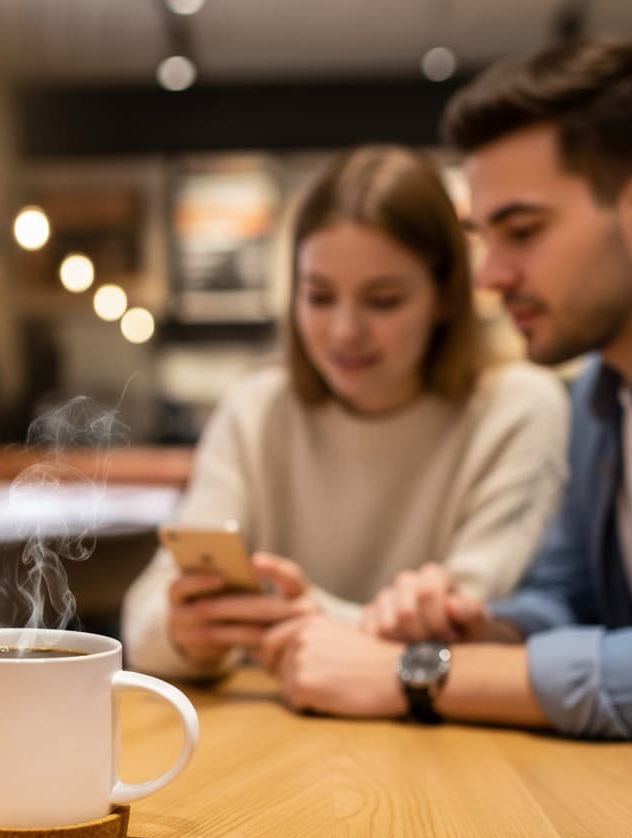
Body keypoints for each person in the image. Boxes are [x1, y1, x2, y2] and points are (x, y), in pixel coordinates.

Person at [259, 38, 632, 741]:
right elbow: (568, 597)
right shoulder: (599, 396)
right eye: (484, 238)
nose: (490, 277)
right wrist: (476, 628)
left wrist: (419, 673)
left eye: (523, 232)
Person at [122, 145, 568, 683]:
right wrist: (183, 630)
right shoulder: (256, 410)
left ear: (445, 298)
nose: (344, 332)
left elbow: (470, 627)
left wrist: (299, 619)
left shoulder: (518, 409)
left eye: (383, 300)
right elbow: (145, 621)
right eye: (319, 296)